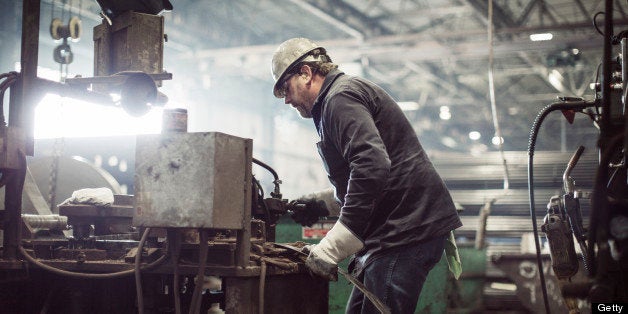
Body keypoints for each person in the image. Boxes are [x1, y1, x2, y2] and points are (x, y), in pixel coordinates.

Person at [271, 37, 462, 314]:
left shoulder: (340, 98)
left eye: (286, 88)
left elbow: (372, 167)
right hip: (396, 232)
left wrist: (333, 247)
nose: (286, 99)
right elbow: (370, 174)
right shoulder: (334, 102)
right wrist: (323, 203)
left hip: (403, 233)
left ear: (306, 72)